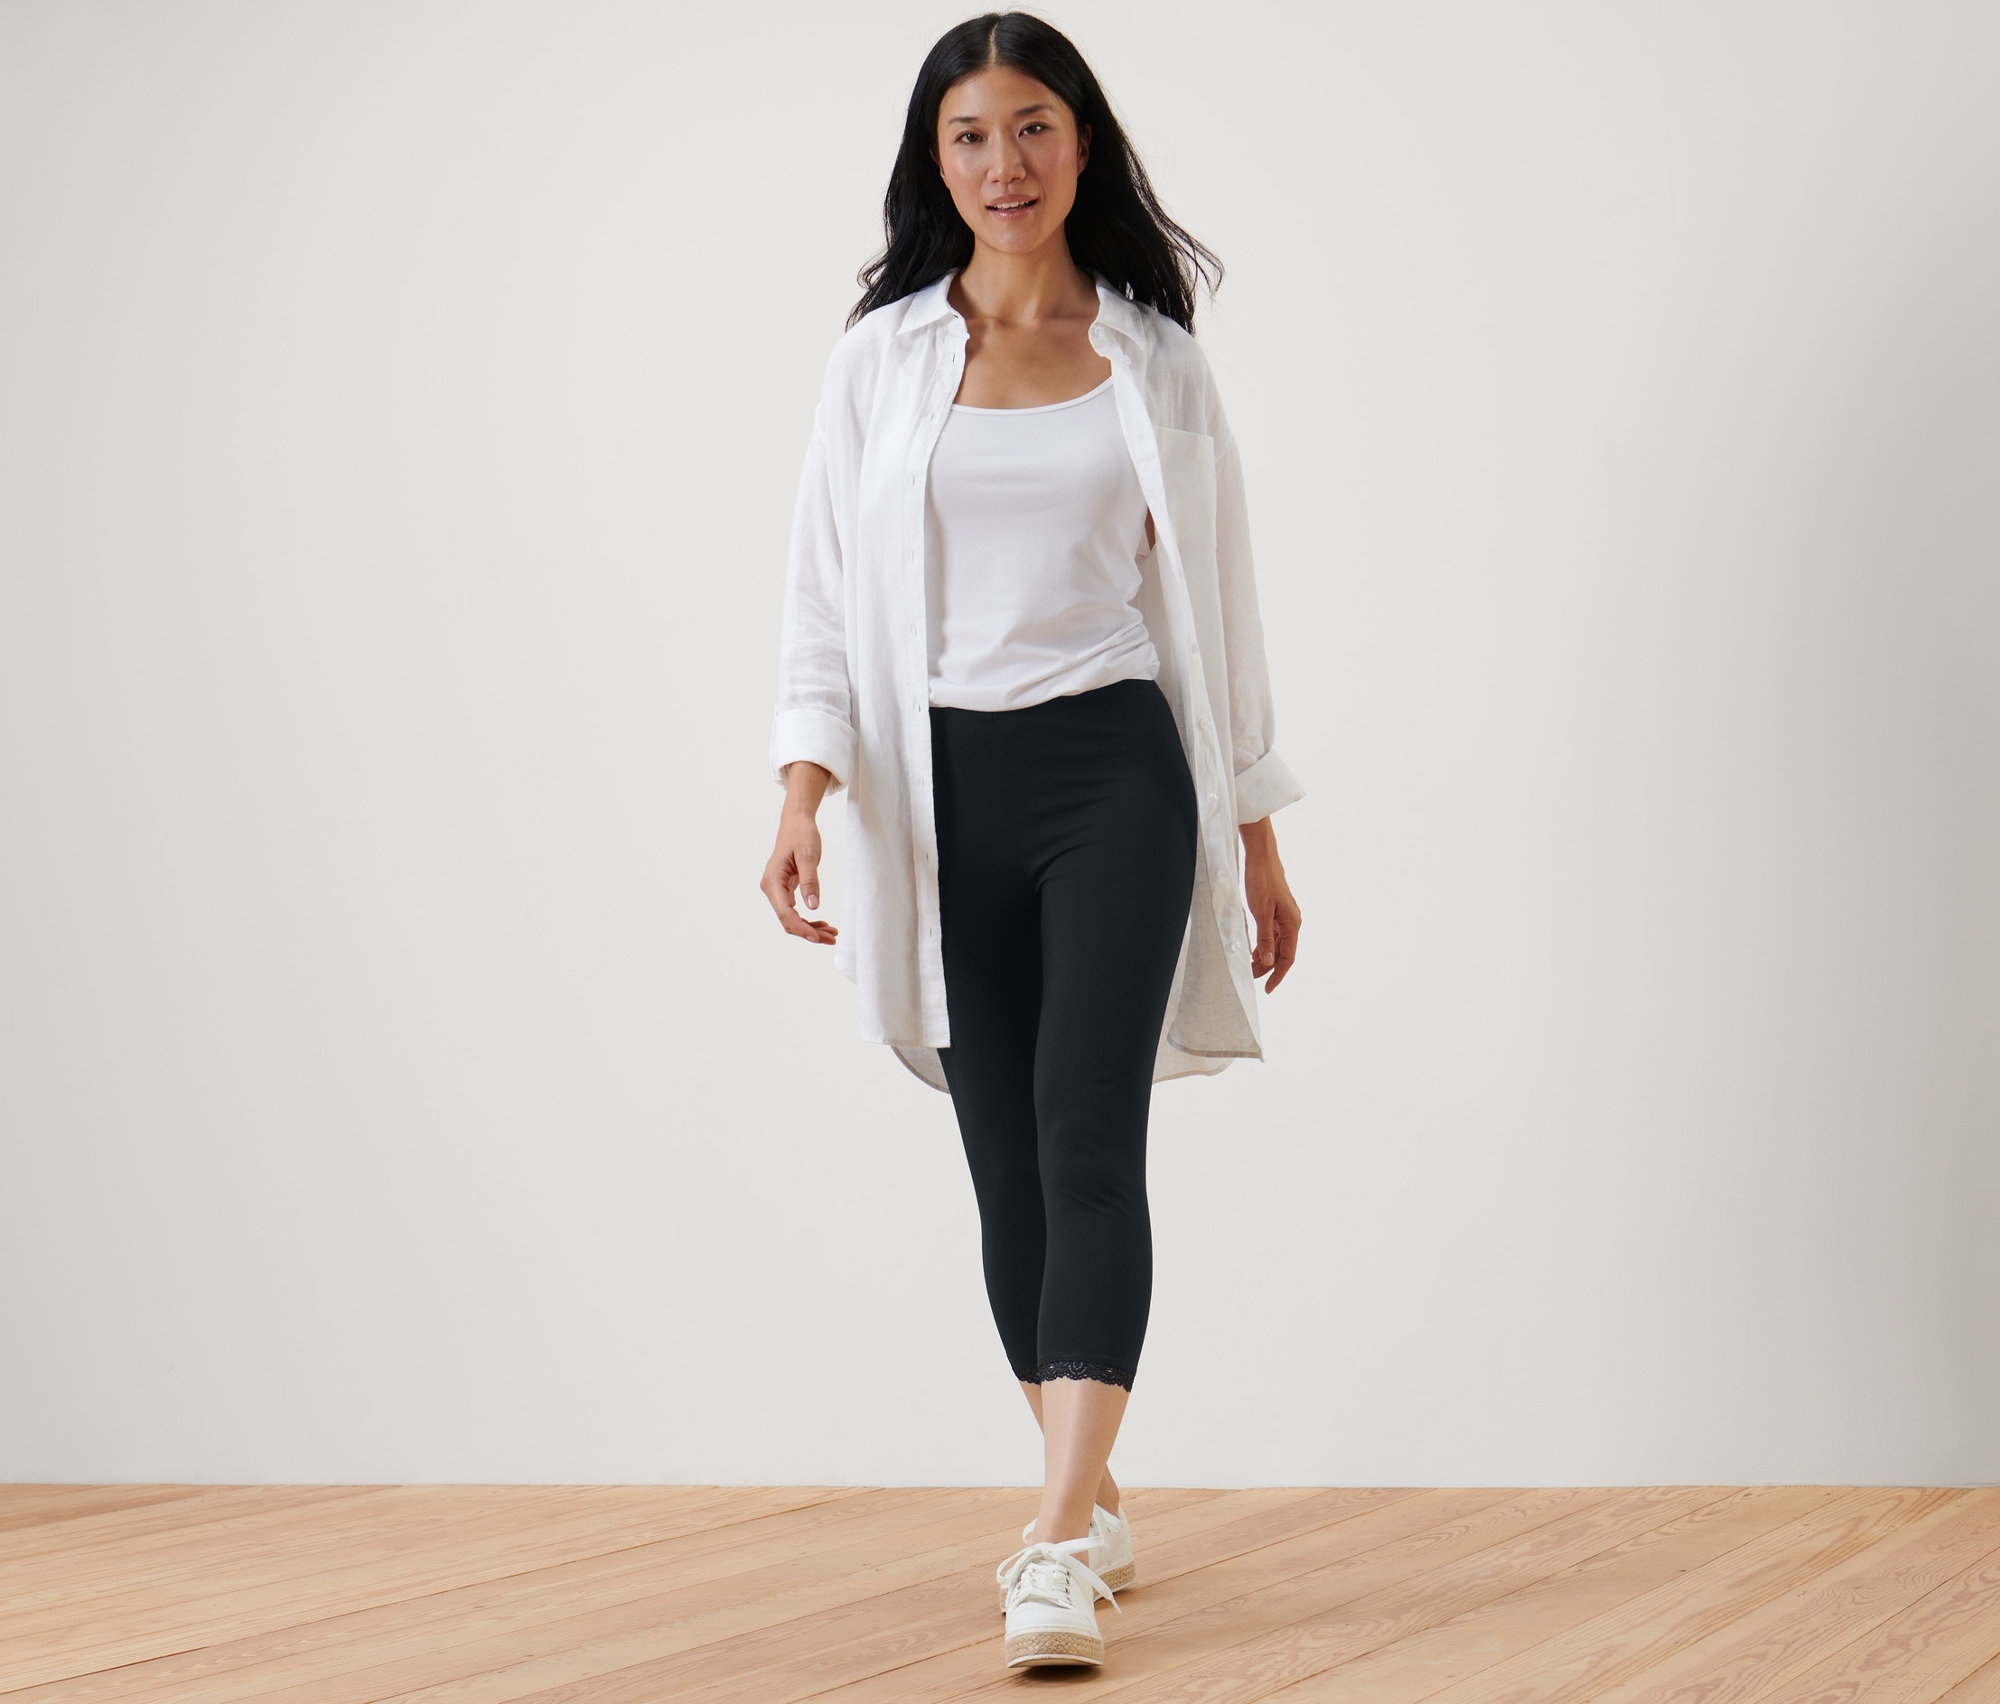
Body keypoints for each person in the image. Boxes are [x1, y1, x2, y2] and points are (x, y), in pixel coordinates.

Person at [759, 10, 1304, 1672]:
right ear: (937, 162)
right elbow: (822, 591)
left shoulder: (1155, 358)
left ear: (1083, 145)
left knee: (1085, 1143)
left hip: (1112, 778)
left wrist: (1258, 833)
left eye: (1035, 128)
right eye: (972, 135)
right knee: (1003, 1167)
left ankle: (1055, 1546)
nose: (1007, 164)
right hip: (936, 797)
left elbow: (1221, 601)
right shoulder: (877, 362)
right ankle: (1098, 1486)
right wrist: (802, 784)